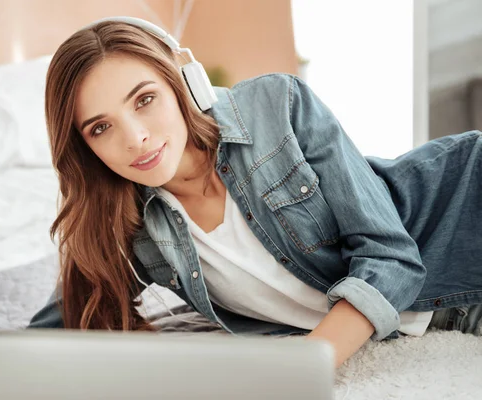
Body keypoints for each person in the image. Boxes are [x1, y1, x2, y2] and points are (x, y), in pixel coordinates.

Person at [28, 16, 482, 368]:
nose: (135, 138)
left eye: (144, 99)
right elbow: (62, 322)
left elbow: (390, 256)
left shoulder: (276, 106)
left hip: (464, 210)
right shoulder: (126, 223)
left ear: (185, 82)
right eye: (101, 127)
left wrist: (306, 366)